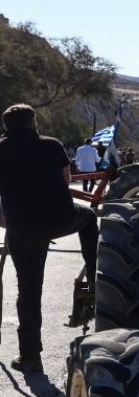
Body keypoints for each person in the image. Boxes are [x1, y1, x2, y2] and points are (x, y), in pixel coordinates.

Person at [0, 104, 99, 373]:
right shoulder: (52, 144)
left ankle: (30, 357)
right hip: (60, 219)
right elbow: (66, 179)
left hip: (22, 228)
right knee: (89, 217)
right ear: (32, 123)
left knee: (29, 291)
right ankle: (94, 277)